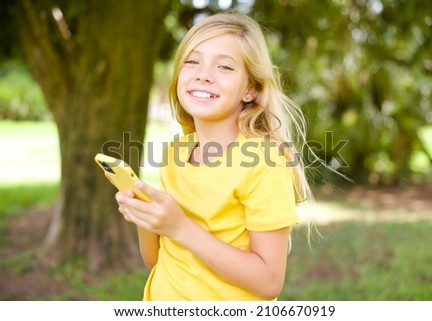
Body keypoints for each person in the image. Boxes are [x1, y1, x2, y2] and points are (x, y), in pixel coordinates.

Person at [114, 10, 313, 301]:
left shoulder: (264, 163)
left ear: (250, 89)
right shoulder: (176, 152)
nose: (203, 75)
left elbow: (269, 282)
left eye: (224, 67)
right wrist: (148, 220)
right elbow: (157, 261)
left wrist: (180, 227)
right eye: (192, 61)